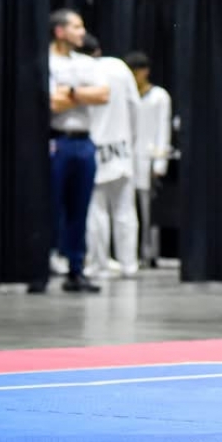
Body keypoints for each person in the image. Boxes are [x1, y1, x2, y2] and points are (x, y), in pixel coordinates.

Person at [46, 10, 109, 294]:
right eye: (76, 26)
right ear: (60, 31)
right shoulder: (48, 62)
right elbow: (52, 103)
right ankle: (44, 264)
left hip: (84, 143)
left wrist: (70, 92)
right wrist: (83, 94)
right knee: (52, 205)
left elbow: (103, 94)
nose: (82, 32)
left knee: (79, 208)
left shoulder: (86, 63)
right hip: (57, 141)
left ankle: (76, 268)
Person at [80, 35, 141, 280]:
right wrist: (130, 138)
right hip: (121, 146)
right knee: (125, 210)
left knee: (96, 211)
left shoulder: (80, 71)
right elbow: (135, 105)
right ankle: (129, 264)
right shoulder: (118, 67)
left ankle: (99, 264)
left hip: (92, 145)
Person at [124, 51, 173, 267]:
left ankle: (149, 252)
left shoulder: (159, 96)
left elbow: (163, 127)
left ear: (145, 72)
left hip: (149, 158)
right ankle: (129, 254)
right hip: (127, 157)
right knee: (127, 209)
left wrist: (160, 161)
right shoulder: (127, 96)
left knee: (149, 211)